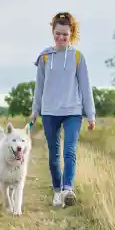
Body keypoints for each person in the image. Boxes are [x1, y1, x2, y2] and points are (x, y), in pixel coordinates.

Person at [30, 11, 96, 207]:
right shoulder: (44, 57)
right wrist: (35, 111)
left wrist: (90, 114)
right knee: (53, 156)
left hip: (73, 111)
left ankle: (68, 188)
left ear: (71, 34)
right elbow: (39, 87)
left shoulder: (77, 57)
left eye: (65, 34)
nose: (61, 37)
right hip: (50, 112)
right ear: (53, 32)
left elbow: (85, 86)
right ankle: (57, 191)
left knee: (69, 151)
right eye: (58, 33)